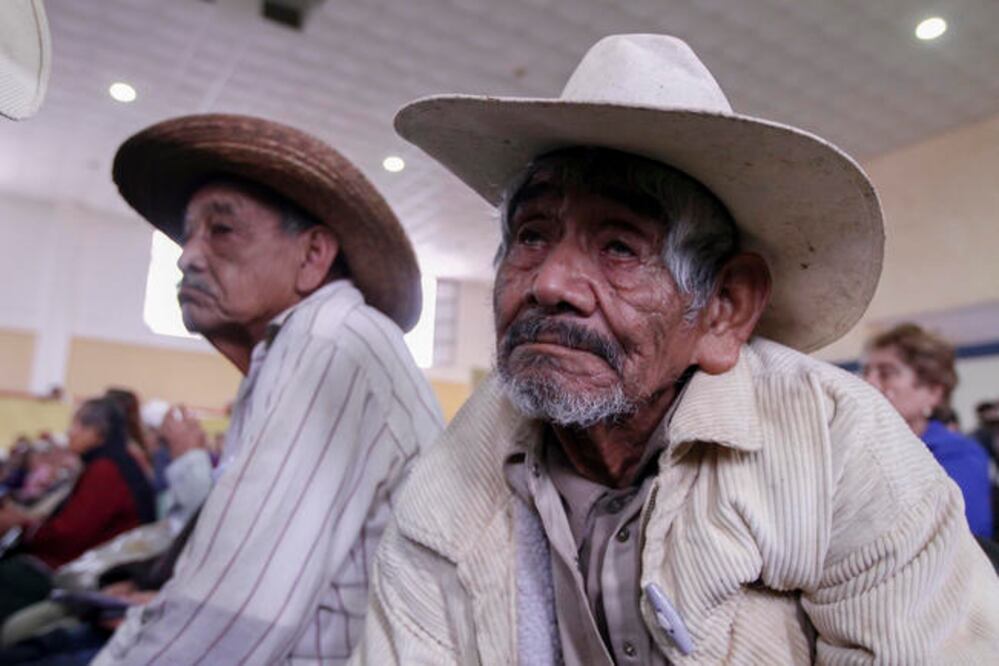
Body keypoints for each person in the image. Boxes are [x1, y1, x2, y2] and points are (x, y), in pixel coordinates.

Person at [352, 35, 999, 664]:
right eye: (530, 236)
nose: (548, 282)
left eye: (618, 247)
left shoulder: (837, 446)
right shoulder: (446, 484)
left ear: (722, 308)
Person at [93, 114, 443, 664]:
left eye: (222, 230)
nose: (188, 254)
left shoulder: (329, 343)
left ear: (312, 257)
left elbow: (233, 620)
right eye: (188, 234)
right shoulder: (298, 346)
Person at [0, 398, 156, 623]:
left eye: (76, 425)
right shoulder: (114, 462)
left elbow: (69, 535)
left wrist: (20, 525)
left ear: (96, 432)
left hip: (86, 575)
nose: (69, 433)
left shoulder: (107, 470)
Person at [863, 323, 992, 537]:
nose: (868, 382)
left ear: (933, 392)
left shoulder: (959, 454)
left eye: (886, 373)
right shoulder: (865, 448)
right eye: (866, 372)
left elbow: (955, 537)